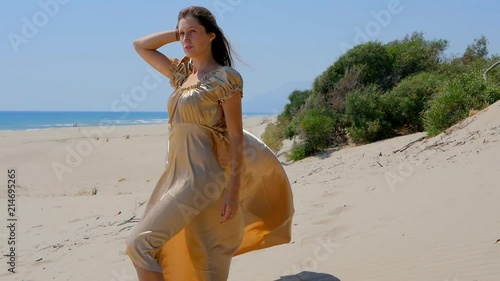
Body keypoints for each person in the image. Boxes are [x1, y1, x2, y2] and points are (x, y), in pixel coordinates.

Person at [125, 6, 294, 281]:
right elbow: (140, 46)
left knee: (140, 244)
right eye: (182, 34)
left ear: (212, 35)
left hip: (201, 179)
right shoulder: (181, 75)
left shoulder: (225, 79)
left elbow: (236, 136)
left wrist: (233, 192)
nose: (186, 39)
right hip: (175, 176)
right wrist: (178, 31)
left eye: (193, 32)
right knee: (201, 255)